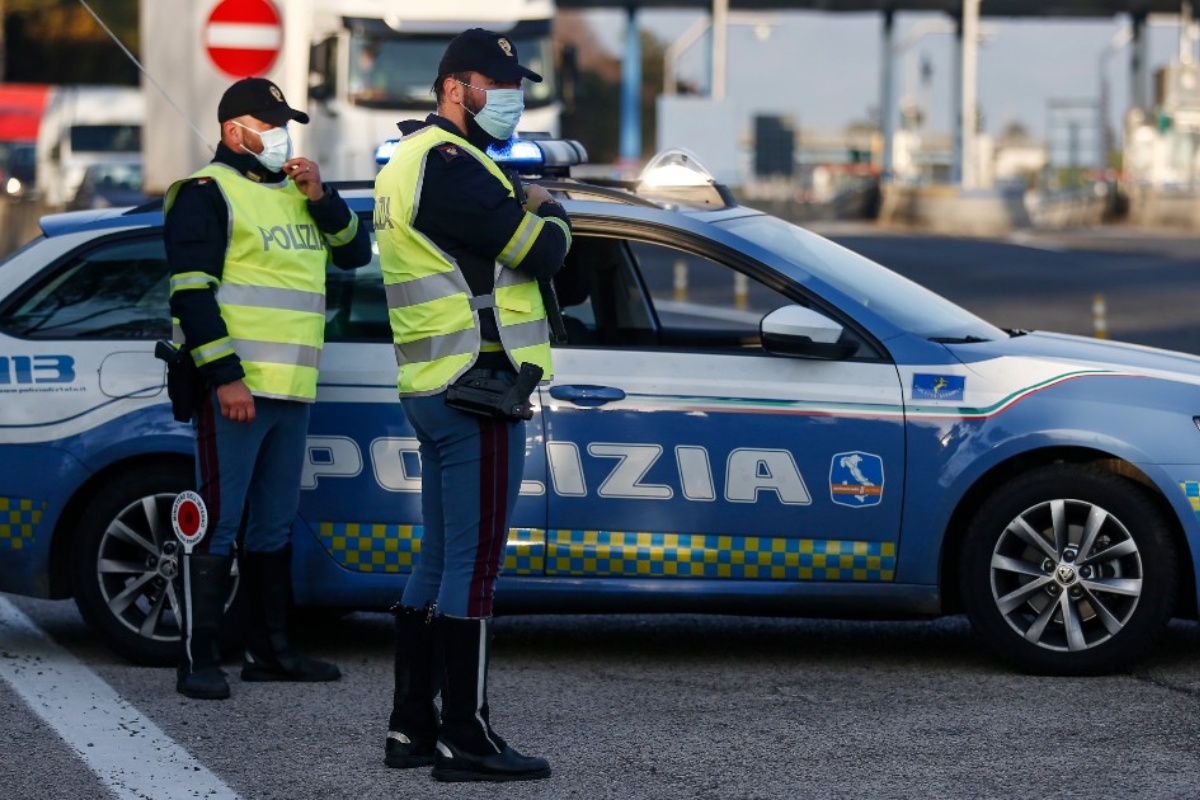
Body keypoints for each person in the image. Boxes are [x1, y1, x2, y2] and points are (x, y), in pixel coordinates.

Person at [373, 28, 571, 783]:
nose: (511, 97)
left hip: (435, 385)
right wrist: (550, 209)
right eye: (498, 83)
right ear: (456, 86)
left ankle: (410, 729)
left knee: (437, 559)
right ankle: (466, 737)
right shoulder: (452, 165)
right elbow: (542, 253)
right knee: (475, 567)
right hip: (476, 388)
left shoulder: (412, 162)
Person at [164, 77, 372, 700]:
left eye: (286, 123)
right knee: (218, 525)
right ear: (235, 131)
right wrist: (225, 377)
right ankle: (198, 659)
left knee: (273, 526)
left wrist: (323, 197)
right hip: (237, 390)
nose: (282, 135)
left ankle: (270, 652)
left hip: (291, 390)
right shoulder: (206, 193)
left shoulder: (296, 193)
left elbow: (356, 254)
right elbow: (191, 296)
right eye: (270, 123)